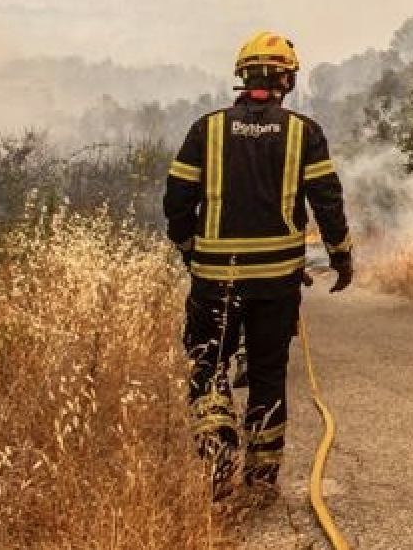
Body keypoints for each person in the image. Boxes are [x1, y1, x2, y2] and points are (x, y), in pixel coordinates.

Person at [163, 30, 354, 501]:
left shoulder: (204, 129)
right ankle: (262, 476)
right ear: (287, 79)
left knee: (208, 364)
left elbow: (176, 200)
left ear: (242, 76)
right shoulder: (303, 132)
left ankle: (217, 449)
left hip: (215, 280)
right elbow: (328, 201)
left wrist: (190, 245)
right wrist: (341, 255)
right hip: (276, 284)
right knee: (268, 372)